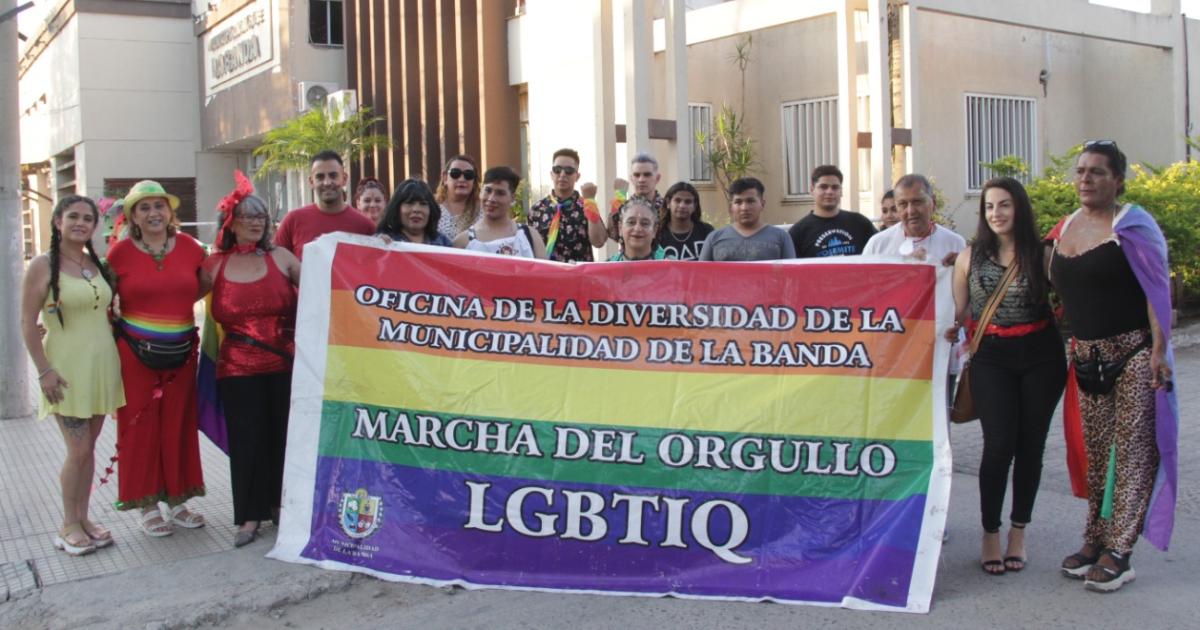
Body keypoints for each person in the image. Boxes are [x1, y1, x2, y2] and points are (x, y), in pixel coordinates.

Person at [1048, 140, 1178, 592]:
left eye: (1097, 172)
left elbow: (1157, 290)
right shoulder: (1066, 226)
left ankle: (1120, 552)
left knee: (1134, 454)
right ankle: (1096, 539)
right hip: (1086, 358)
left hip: (1134, 355)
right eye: (1081, 171)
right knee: (1099, 454)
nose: (1086, 179)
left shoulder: (1134, 226)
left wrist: (1159, 350)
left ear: (1118, 180)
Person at [943, 177, 1066, 576]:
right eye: (989, 206)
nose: (996, 213)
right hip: (992, 357)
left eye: (1004, 205)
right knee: (998, 446)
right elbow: (959, 311)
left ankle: (1019, 531)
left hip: (1042, 357)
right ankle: (990, 532)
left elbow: (1074, 298)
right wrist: (950, 328)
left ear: (1020, 209)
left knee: (1031, 446)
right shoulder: (968, 257)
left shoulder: (1043, 255)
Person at [19, 195, 125, 556]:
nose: (80, 223)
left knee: (88, 449)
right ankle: (67, 524)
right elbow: (27, 322)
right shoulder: (42, 265)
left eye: (87, 218)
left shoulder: (96, 264)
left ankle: (83, 518)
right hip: (65, 370)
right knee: (77, 450)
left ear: (94, 226)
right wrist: (44, 371)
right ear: (58, 222)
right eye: (73, 216)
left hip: (101, 366)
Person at [201, 179, 301, 548]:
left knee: (284, 438)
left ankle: (280, 505)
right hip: (236, 370)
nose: (256, 222)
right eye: (247, 216)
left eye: (261, 216)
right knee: (246, 442)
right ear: (229, 222)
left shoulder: (283, 258)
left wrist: (376, 252)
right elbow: (172, 299)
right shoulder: (213, 265)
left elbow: (329, 283)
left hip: (284, 366)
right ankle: (249, 515)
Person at [107, 180, 209, 537]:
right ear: (133, 217)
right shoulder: (119, 254)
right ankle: (147, 504)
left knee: (179, 424)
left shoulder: (191, 248)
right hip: (135, 357)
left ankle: (178, 500)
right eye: (144, 207)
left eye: (159, 206)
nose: (153, 213)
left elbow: (207, 282)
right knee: (140, 427)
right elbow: (102, 300)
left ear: (170, 212)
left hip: (182, 354)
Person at [274, 150, 376, 259]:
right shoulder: (293, 221)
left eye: (333, 176)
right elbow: (275, 262)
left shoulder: (365, 226)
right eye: (320, 177)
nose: (327, 182)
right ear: (311, 182)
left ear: (344, 178)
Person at [863, 174, 966, 263]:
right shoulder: (877, 244)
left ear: (933, 203)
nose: (911, 211)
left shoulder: (955, 244)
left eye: (917, 202)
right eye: (903, 204)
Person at [528, 148, 606, 262]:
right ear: (551, 174)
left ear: (577, 176)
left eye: (569, 170)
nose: (562, 174)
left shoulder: (587, 206)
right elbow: (529, 248)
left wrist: (590, 202)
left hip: (578, 272)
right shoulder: (536, 209)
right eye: (557, 170)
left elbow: (599, 242)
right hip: (546, 272)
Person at [454, 166, 547, 259]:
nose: (491, 198)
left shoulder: (530, 237)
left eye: (500, 193)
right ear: (480, 192)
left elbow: (543, 267)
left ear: (513, 198)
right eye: (488, 191)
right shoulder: (463, 242)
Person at [788, 165, 877, 257]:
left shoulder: (860, 223)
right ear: (812, 190)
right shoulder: (798, 232)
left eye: (835, 187)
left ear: (841, 191)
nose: (830, 192)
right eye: (823, 187)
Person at [698, 177, 795, 261]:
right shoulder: (714, 238)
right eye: (738, 202)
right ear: (731, 206)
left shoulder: (781, 237)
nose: (744, 208)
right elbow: (701, 274)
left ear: (762, 204)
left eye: (750, 201)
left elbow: (791, 272)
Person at [377, 179, 454, 246]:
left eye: (423, 204)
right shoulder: (383, 241)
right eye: (409, 203)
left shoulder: (443, 243)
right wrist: (377, 244)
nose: (416, 209)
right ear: (397, 208)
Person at [608, 154, 664, 242]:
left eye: (647, 175)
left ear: (657, 178)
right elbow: (613, 234)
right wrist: (619, 199)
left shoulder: (666, 207)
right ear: (631, 178)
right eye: (637, 175)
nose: (641, 180)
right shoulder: (624, 206)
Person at [657, 182, 714, 261]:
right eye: (677, 200)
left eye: (688, 202)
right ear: (668, 203)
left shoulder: (706, 231)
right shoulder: (657, 233)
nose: (682, 206)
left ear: (695, 206)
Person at [608, 197, 674, 261]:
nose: (637, 228)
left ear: (654, 230)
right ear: (620, 228)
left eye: (645, 223)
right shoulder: (608, 267)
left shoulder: (671, 266)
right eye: (631, 222)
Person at [434, 154, 481, 240]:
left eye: (468, 175)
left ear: (474, 182)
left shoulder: (483, 212)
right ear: (445, 178)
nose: (462, 179)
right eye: (455, 173)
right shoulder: (431, 207)